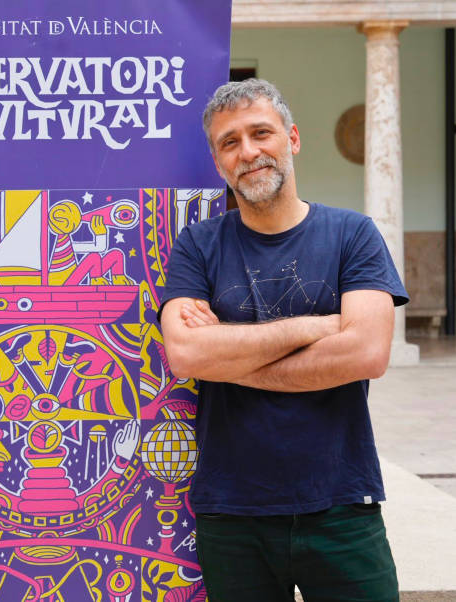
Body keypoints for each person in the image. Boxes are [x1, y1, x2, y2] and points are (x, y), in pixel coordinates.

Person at [159, 78, 404, 601]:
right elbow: (185, 353)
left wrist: (227, 355)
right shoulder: (197, 246)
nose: (248, 152)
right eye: (230, 142)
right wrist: (317, 326)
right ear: (218, 161)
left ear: (291, 139)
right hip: (233, 513)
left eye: (260, 133)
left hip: (342, 504)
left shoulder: (353, 235)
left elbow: (366, 353)